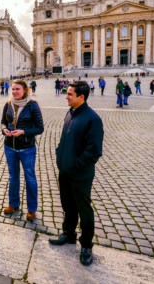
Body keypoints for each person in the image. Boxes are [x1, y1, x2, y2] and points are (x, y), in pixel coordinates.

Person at [49, 81, 104, 267]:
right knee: (68, 205)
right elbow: (64, 140)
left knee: (84, 209)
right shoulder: (70, 113)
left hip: (80, 174)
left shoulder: (92, 119)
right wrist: (59, 156)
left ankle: (87, 245)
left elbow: (94, 151)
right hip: (65, 171)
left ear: (81, 97)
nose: (66, 96)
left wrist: (75, 166)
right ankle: (69, 234)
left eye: (70, 94)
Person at [1, 80, 44, 222]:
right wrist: (4, 130)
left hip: (27, 148)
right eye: (13, 89)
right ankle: (13, 204)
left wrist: (23, 132)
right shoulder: (8, 103)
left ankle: (32, 209)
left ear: (25, 90)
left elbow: (40, 128)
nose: (14, 92)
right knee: (13, 177)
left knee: (30, 178)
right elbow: (3, 122)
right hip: (10, 147)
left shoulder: (32, 105)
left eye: (17, 89)